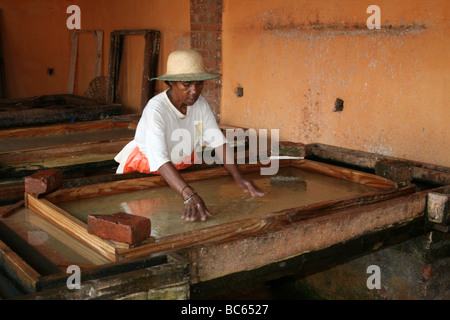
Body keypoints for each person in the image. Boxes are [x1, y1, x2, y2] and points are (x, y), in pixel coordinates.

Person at [115, 49, 264, 222]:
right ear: (171, 82)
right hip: (147, 169)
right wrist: (189, 195)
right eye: (187, 85)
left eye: (199, 83)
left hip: (178, 166)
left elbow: (217, 141)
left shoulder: (199, 104)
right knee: (154, 223)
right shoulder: (156, 109)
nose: (195, 91)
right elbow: (160, 159)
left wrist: (238, 176)